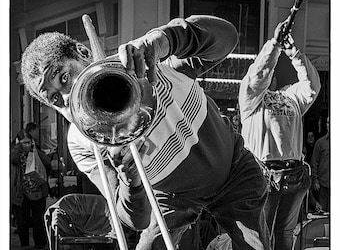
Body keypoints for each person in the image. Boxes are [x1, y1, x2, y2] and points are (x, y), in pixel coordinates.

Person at [20, 15, 271, 249]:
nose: (67, 97)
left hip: (232, 170)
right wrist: (130, 181)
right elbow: (134, 220)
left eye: (63, 77)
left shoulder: (150, 62)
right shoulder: (81, 142)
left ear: (83, 53)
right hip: (172, 198)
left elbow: (228, 37)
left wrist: (166, 40)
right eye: (55, 99)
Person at [239, 20, 321, 250]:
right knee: (259, 234)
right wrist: (274, 45)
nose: (270, 73)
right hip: (263, 175)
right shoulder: (251, 99)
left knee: (284, 232)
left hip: (293, 175)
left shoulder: (292, 97)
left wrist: (293, 51)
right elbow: (258, 75)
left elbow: (312, 86)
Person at [10, 127, 51, 249]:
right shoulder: (15, 154)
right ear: (18, 142)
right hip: (21, 193)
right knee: (23, 222)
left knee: (38, 221)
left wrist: (35, 150)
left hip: (37, 192)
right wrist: (18, 148)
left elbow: (47, 164)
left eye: (29, 142)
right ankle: (25, 245)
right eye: (24, 143)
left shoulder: (36, 152)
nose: (27, 145)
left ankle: (40, 244)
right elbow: (12, 160)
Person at [311, 116, 330, 212]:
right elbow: (314, 162)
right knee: (323, 214)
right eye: (328, 122)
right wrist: (315, 180)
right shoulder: (320, 143)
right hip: (323, 185)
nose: (329, 125)